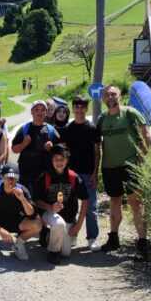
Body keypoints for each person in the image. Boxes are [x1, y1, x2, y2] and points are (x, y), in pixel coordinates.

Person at [96, 84, 151, 257]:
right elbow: (96, 143)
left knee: (136, 203)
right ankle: (113, 239)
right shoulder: (102, 119)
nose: (110, 97)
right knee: (114, 201)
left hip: (130, 166)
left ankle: (142, 242)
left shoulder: (130, 113)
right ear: (103, 98)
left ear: (120, 95)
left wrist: (141, 158)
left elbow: (147, 135)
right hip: (109, 167)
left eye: (113, 94)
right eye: (107, 95)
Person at [33, 145, 89, 265]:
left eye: (62, 159)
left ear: (67, 160)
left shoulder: (73, 177)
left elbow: (85, 199)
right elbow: (35, 200)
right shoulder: (45, 177)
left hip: (68, 216)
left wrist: (79, 224)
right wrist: (49, 207)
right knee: (59, 224)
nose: (59, 162)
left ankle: (49, 236)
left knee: (66, 253)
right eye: (55, 159)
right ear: (51, 160)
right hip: (49, 213)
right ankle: (53, 252)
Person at [59, 94, 101, 251]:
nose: (79, 110)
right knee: (70, 206)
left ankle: (92, 238)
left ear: (86, 108)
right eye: (76, 106)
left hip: (88, 173)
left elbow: (97, 152)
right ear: (73, 108)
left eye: (82, 107)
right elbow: (62, 153)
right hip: (70, 174)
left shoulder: (93, 128)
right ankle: (72, 235)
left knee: (90, 207)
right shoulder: (66, 129)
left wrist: (95, 173)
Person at [0, 163, 42, 261]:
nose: (11, 180)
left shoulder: (22, 190)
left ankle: (18, 245)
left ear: (18, 178)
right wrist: (0, 230)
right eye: (8, 177)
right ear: (2, 177)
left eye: (14, 177)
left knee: (37, 224)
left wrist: (23, 199)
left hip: (17, 221)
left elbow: (32, 214)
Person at [11, 100, 60, 188]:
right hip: (26, 175)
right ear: (31, 112)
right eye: (36, 109)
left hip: (45, 175)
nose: (39, 112)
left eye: (42, 110)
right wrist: (23, 144)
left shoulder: (51, 130)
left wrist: (52, 149)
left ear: (46, 113)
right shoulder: (24, 128)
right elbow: (14, 149)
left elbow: (61, 152)